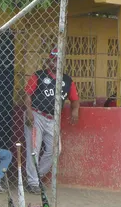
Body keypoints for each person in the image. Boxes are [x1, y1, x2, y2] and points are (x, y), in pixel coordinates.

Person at [23, 47, 79, 194]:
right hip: (36, 115)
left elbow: (74, 99)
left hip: (53, 118)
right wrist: (29, 112)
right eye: (52, 61)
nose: (54, 64)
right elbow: (27, 95)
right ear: (48, 62)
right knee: (33, 149)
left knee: (55, 150)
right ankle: (33, 183)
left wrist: (75, 110)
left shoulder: (67, 80)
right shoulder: (39, 75)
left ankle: (37, 176)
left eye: (57, 61)